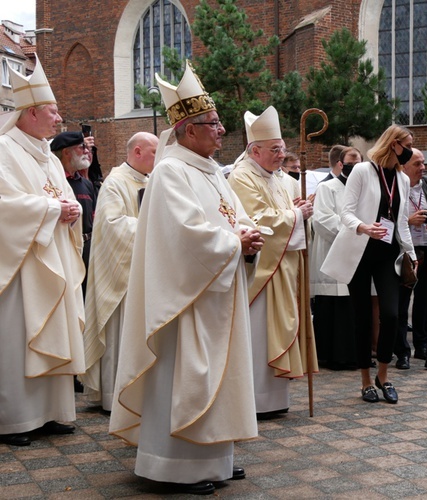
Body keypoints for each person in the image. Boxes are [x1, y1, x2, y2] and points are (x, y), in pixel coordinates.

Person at [109, 62, 263, 495]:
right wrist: (236, 241)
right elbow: (184, 234)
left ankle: (214, 456)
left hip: (217, 291)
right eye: (213, 123)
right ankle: (174, 467)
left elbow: (236, 216)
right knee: (184, 375)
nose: (221, 129)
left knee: (220, 373)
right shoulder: (171, 171)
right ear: (188, 129)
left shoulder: (213, 170)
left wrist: (249, 235)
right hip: (185, 298)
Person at [0, 59, 86, 447]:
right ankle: (15, 420)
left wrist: (71, 211)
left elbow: (65, 197)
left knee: (56, 327)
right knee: (20, 335)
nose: (59, 117)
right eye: (53, 111)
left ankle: (53, 412)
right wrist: (53, 210)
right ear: (31, 112)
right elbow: (4, 205)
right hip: (21, 263)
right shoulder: (3, 150)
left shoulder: (49, 156)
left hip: (55, 256)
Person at [228, 106, 317, 417]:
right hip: (264, 271)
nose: (282, 155)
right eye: (275, 149)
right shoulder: (242, 177)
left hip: (285, 267)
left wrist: (300, 210)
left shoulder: (278, 178)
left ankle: (275, 399)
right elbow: (255, 220)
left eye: (283, 149)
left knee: (278, 328)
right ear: (255, 151)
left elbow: (287, 211)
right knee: (259, 333)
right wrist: (296, 215)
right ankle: (255, 400)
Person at [321, 124, 417, 404]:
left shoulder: (402, 179)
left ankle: (383, 376)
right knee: (362, 317)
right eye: (407, 144)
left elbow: (400, 222)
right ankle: (365, 381)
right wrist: (364, 227)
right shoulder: (363, 170)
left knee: (391, 315)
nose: (409, 151)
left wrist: (411, 254)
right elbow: (346, 214)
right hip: (359, 252)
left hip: (388, 253)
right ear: (394, 143)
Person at [80, 132, 159, 412]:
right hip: (120, 274)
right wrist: (154, 226)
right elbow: (112, 225)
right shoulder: (115, 183)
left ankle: (140, 392)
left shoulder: (152, 181)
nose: (157, 158)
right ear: (137, 151)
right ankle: (115, 395)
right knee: (121, 333)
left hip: (145, 269)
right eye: (153, 152)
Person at [394, 148, 427, 374]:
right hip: (406, 252)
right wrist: (407, 221)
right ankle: (402, 353)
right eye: (417, 164)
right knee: (400, 305)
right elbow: (386, 220)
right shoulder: (395, 186)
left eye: (423, 163)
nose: (422, 168)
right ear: (403, 166)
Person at [310, 146, 362, 370]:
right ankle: (331, 356)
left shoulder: (361, 189)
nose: (355, 165)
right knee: (333, 307)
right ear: (340, 163)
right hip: (333, 253)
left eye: (359, 162)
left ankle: (352, 354)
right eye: (351, 161)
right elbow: (322, 219)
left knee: (352, 308)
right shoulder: (327, 187)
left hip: (356, 254)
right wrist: (355, 230)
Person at [51, 131, 97, 297]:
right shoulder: (53, 183)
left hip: (88, 250)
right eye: (81, 147)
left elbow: (94, 217)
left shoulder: (85, 183)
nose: (86, 151)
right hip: (65, 249)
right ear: (66, 152)